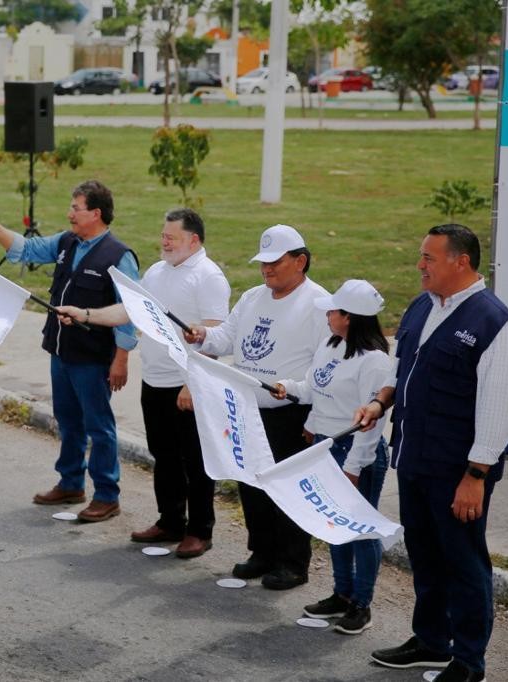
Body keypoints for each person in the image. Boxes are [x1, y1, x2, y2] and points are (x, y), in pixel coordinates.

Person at [355, 224, 508, 682]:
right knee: (425, 555)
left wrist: (476, 475)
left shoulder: (494, 323)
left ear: (461, 262)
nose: (419, 266)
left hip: (457, 471)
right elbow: (401, 367)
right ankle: (431, 641)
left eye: (429, 258)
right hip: (413, 460)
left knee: (464, 564)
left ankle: (469, 661)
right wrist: (379, 401)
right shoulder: (421, 307)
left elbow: (498, 411)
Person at [55, 208, 230, 558]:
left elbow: (217, 335)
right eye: (163, 235)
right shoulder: (156, 271)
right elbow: (129, 312)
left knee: (193, 461)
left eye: (172, 237)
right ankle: (170, 521)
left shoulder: (209, 277)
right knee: (163, 456)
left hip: (187, 385)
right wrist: (85, 314)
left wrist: (192, 384)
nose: (163, 241)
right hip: (154, 380)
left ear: (193, 240)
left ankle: (199, 530)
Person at [0, 180, 138, 523]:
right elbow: (26, 249)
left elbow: (130, 312)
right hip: (61, 354)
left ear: (96, 213)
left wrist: (121, 359)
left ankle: (107, 495)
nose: (69, 214)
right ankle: (71, 483)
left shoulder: (118, 257)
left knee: (99, 427)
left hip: (93, 359)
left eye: (75, 208)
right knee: (68, 421)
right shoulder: (66, 242)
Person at [184, 224, 329, 590]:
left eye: (275, 263)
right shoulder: (252, 298)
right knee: (252, 485)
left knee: (286, 488)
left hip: (291, 412)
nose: (267, 270)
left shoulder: (319, 305)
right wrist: (202, 334)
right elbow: (227, 337)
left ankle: (292, 562)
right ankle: (261, 552)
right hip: (247, 409)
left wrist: (311, 412)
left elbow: (324, 369)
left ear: (300, 261)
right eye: (263, 263)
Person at [271, 280, 391, 634]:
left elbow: (373, 423)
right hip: (323, 446)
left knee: (361, 532)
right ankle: (341, 594)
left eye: (333, 310)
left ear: (350, 318)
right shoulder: (330, 344)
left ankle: (361, 604)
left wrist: (354, 466)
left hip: (353, 452)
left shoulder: (375, 363)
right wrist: (288, 388)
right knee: (335, 526)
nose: (327, 314)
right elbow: (313, 388)